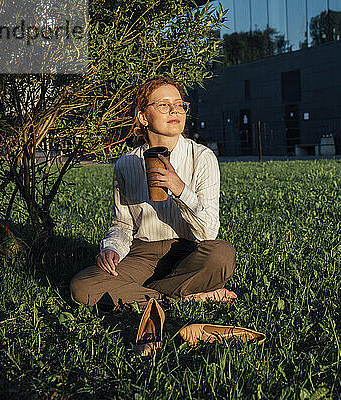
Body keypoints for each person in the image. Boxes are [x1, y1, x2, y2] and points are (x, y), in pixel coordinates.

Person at [69, 77, 238, 310]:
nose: (174, 111)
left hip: (189, 253)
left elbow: (209, 231)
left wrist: (180, 189)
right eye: (163, 105)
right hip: (142, 255)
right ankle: (180, 297)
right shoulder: (126, 164)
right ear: (142, 117)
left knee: (222, 254)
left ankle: (143, 295)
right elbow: (123, 224)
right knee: (82, 286)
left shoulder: (202, 157)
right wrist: (112, 248)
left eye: (180, 105)